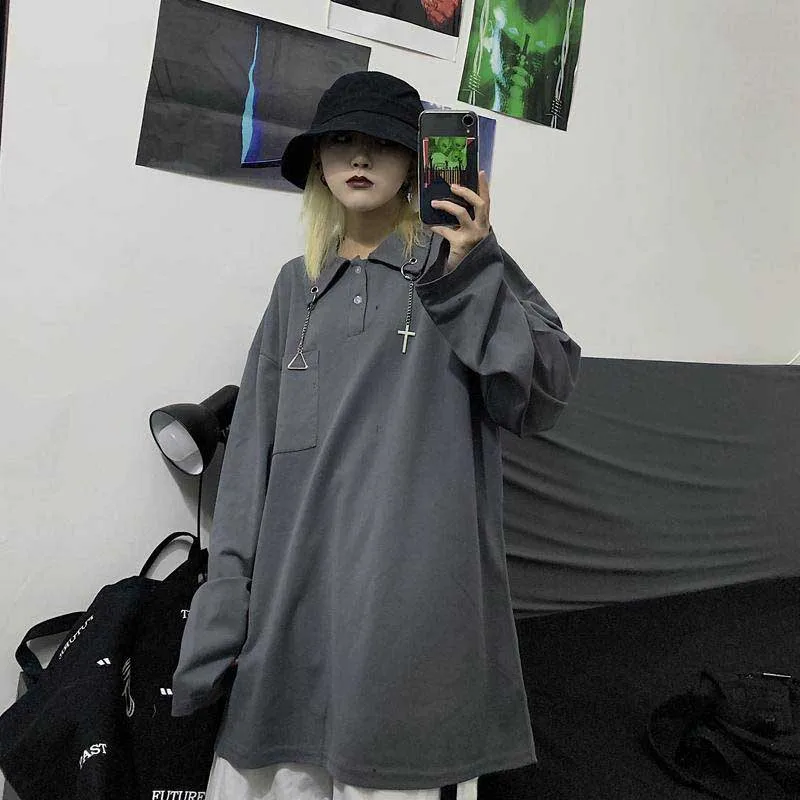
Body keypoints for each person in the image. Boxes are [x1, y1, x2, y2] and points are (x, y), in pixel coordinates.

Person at [171, 71, 581, 800]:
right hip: (293, 610)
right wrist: (227, 606)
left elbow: (545, 390)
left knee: (389, 775)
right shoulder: (294, 286)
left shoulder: (454, 264)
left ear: (416, 163)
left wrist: (475, 266)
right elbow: (252, 457)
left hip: (409, 614)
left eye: (382, 144)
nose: (359, 157)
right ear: (319, 162)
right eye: (340, 141)